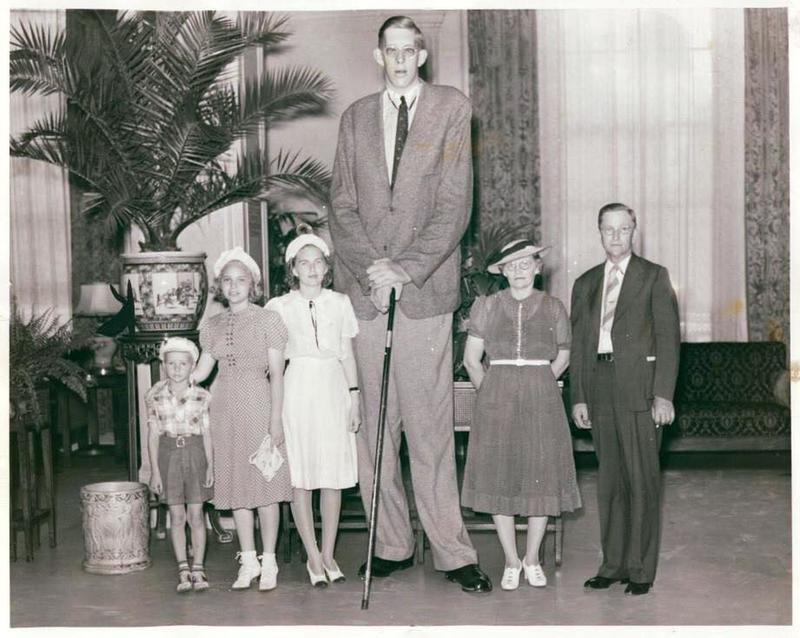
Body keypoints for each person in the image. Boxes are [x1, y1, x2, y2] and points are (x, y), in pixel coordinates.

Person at [329, 15, 491, 592]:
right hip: (369, 294)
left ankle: (452, 551)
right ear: (378, 57)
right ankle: (391, 544)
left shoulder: (450, 108)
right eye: (390, 52)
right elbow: (341, 205)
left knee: (429, 431)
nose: (400, 61)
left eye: (409, 51)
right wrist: (374, 269)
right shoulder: (354, 119)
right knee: (375, 429)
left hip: (424, 293)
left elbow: (454, 205)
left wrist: (407, 267)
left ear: (421, 55)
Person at [570, 202, 680, 596]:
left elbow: (668, 341)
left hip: (640, 389)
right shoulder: (584, 284)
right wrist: (579, 398)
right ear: (599, 232)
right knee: (610, 482)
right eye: (608, 229)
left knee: (642, 482)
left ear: (634, 231)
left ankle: (639, 570)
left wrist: (663, 395)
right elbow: (581, 346)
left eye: (623, 228)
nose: (615, 236)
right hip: (598, 387)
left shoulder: (654, 276)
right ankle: (612, 564)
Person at [461, 239, 582, 591]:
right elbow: (471, 359)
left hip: (541, 395)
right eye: (511, 265)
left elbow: (563, 354)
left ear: (537, 267)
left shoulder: (553, 307)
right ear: (503, 272)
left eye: (525, 263)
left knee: (539, 472)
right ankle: (511, 561)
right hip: (495, 393)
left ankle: (532, 559)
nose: (518, 270)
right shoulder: (487, 305)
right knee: (500, 474)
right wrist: (492, 391)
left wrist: (540, 381)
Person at [265, 228, 361, 588]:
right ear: (293, 269)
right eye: (303, 263)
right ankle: (312, 556)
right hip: (298, 389)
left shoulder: (340, 303)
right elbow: (272, 360)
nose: (311, 268)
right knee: (301, 474)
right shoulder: (279, 307)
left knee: (332, 476)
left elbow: (347, 355)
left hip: (333, 387)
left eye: (317, 262)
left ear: (325, 268)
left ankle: (329, 552)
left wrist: (355, 398)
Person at [192, 247, 292, 591]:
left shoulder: (269, 320)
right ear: (220, 286)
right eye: (227, 281)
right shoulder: (213, 325)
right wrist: (178, 376)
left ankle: (269, 561)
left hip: (259, 404)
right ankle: (247, 560)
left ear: (253, 284)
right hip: (223, 410)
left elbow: (277, 373)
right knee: (236, 488)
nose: (234, 286)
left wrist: (276, 420)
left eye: (241, 280)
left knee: (264, 486)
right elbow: (202, 371)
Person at [146, 337, 214, 593]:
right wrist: (154, 471)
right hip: (168, 455)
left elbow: (207, 435)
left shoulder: (202, 396)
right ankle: (183, 568)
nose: (176, 369)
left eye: (182, 364)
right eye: (171, 363)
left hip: (196, 454)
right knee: (176, 516)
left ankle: (198, 567)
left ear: (192, 365)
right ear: (164, 365)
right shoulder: (154, 395)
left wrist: (211, 466)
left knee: (196, 515)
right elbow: (153, 436)